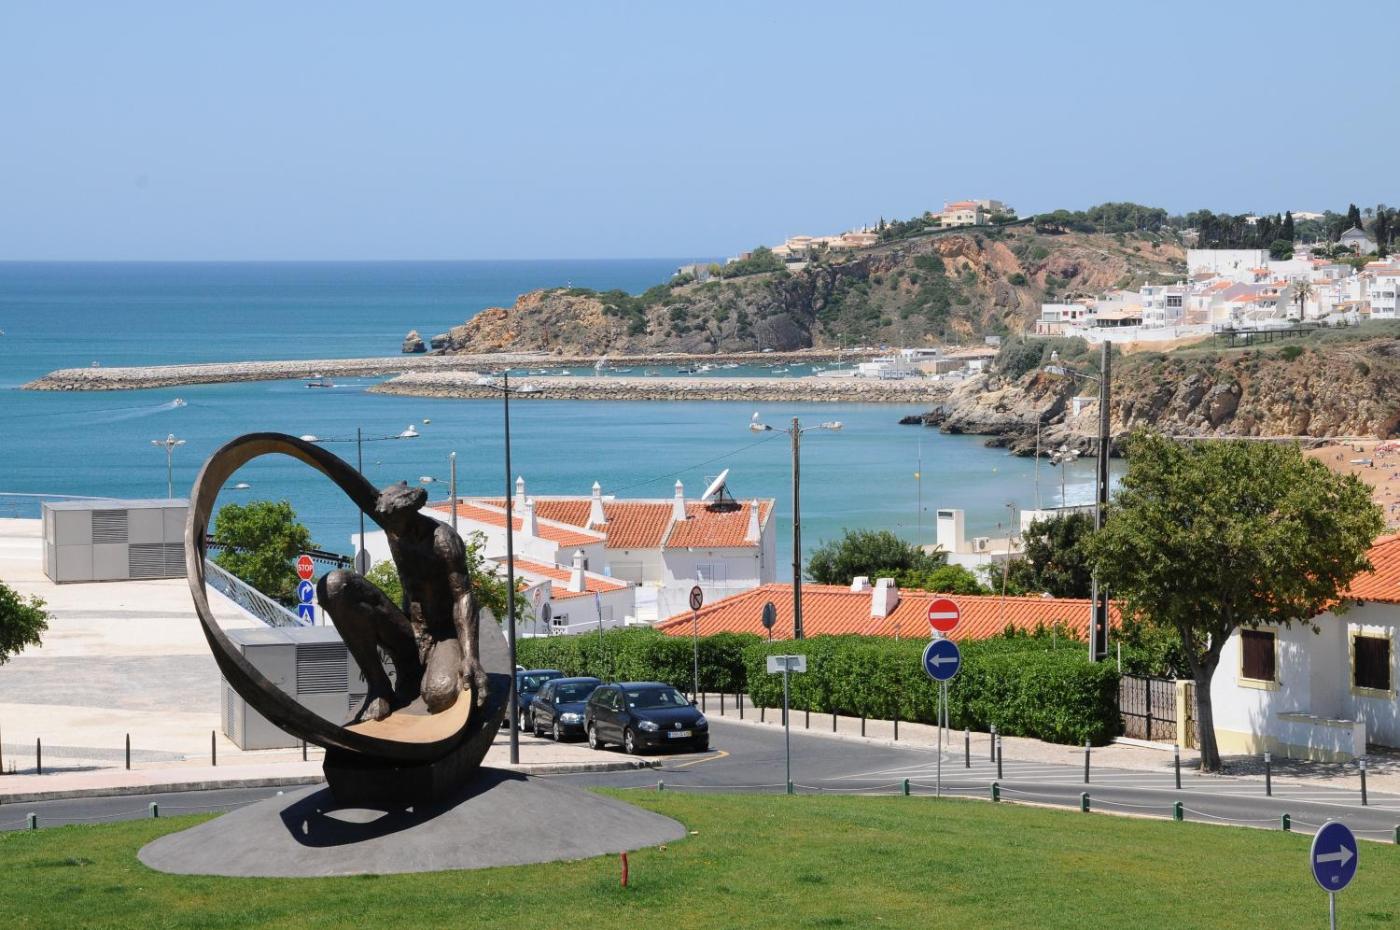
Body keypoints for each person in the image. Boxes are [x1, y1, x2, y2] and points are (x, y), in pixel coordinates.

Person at [318, 482, 487, 722]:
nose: (388, 527)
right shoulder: (393, 527)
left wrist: (470, 656)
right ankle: (379, 687)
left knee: (439, 694)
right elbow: (356, 488)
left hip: (442, 635)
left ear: (409, 515)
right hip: (409, 631)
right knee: (336, 586)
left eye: (393, 521)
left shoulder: (443, 540)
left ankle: (434, 669)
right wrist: (311, 457)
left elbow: (463, 596)